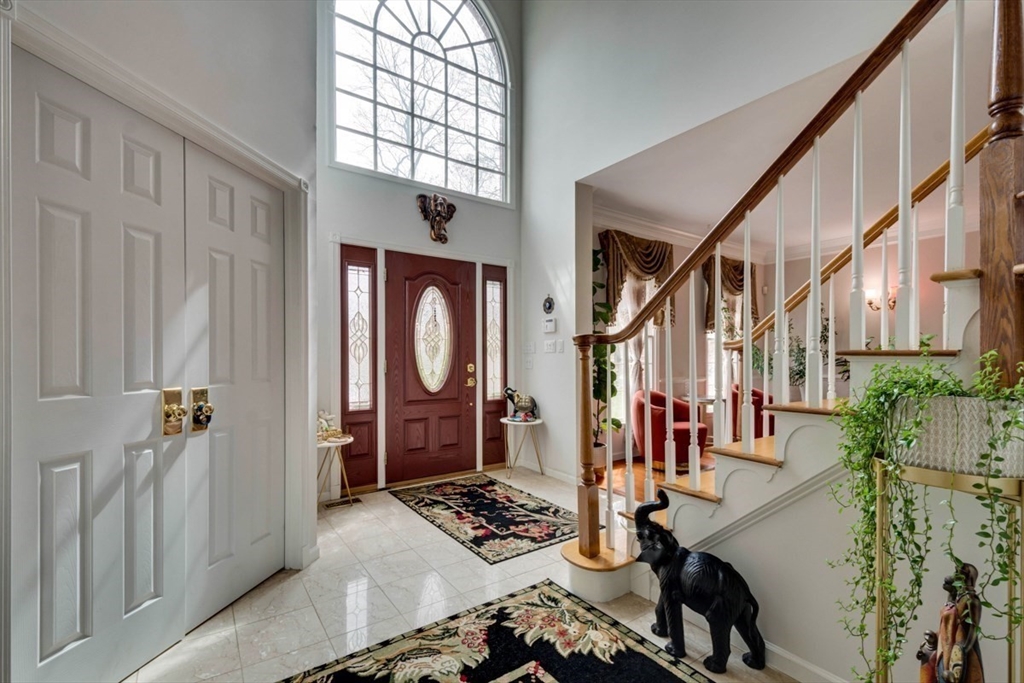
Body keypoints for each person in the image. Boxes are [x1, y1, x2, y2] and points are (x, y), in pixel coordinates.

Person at [936, 563, 984, 683]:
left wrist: (965, 649)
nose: (956, 575)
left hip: (965, 644)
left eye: (961, 573)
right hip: (957, 643)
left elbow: (974, 628)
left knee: (969, 675)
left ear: (970, 578)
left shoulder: (971, 600)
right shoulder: (961, 597)